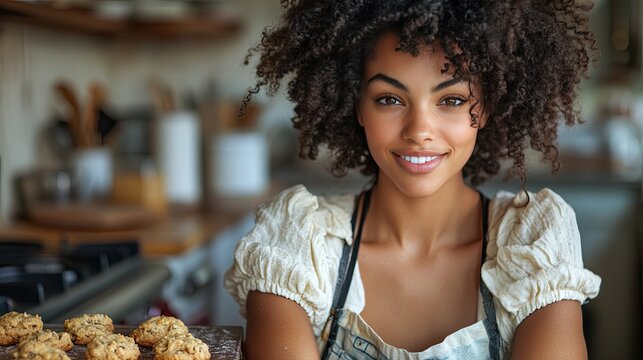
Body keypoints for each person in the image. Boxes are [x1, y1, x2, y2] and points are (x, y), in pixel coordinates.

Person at [224, 0, 602, 358]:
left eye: (451, 100)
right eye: (389, 99)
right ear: (358, 107)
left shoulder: (532, 244)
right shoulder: (298, 246)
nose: (420, 130)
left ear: (484, 107)